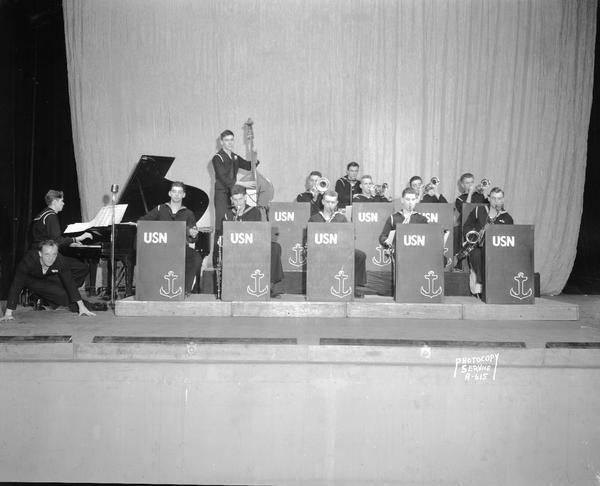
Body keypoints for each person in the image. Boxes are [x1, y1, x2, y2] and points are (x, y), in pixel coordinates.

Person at [0, 240, 98, 322]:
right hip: (31, 280)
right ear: (40, 254)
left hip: (47, 276)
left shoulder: (59, 260)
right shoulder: (28, 261)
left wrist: (81, 307)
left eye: (54, 254)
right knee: (62, 295)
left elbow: (70, 283)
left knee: (65, 291)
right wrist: (8, 313)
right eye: (47, 254)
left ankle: (44, 298)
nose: (51, 258)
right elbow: (16, 286)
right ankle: (38, 295)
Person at [138, 181, 202, 295]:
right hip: (160, 248)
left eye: (180, 192)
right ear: (169, 193)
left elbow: (193, 239)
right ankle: (149, 290)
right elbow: (143, 221)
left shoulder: (188, 213)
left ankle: (185, 290)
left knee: (195, 257)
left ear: (184, 195)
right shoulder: (160, 209)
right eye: (174, 191)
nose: (177, 194)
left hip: (180, 249)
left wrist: (193, 235)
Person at [222, 185, 284, 297]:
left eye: (240, 199)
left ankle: (270, 285)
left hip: (253, 246)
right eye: (235, 200)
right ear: (231, 199)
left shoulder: (254, 211)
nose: (238, 202)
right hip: (235, 248)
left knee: (275, 247)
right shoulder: (228, 214)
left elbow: (260, 232)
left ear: (245, 198)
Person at [212, 129, 257, 265]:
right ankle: (217, 260)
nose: (229, 143)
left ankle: (238, 256)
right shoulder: (217, 158)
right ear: (221, 142)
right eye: (226, 140)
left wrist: (254, 154)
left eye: (231, 140)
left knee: (238, 221)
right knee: (222, 224)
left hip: (234, 193)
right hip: (222, 194)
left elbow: (250, 166)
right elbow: (224, 179)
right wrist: (244, 183)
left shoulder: (235, 156)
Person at [309, 190, 367, 293]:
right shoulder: (314, 218)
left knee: (360, 255)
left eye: (332, 202)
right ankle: (319, 287)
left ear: (336, 203)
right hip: (321, 250)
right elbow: (308, 239)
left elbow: (349, 237)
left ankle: (353, 286)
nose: (329, 205)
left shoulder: (341, 218)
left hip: (339, 249)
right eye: (327, 202)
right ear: (322, 202)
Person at [31, 190, 91, 287]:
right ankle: (63, 294)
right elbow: (57, 240)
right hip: (47, 257)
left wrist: (70, 243)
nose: (63, 203)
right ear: (55, 202)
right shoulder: (51, 216)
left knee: (70, 266)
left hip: (37, 255)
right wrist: (77, 238)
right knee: (82, 268)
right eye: (61, 201)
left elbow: (50, 238)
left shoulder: (42, 214)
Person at [462, 187, 513, 296]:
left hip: (497, 250)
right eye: (494, 198)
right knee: (476, 254)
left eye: (499, 198)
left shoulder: (507, 218)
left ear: (503, 200)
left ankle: (497, 286)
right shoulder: (478, 210)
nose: (496, 201)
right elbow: (467, 226)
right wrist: (473, 237)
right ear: (489, 198)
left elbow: (510, 237)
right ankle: (480, 284)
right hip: (478, 247)